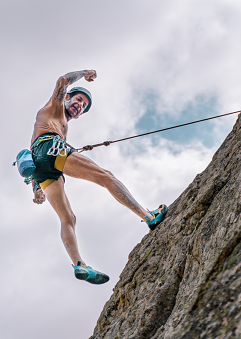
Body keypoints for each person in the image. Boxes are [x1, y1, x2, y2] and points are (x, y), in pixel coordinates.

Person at [29, 69, 167, 285]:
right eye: (78, 99)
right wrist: (85, 73)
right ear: (67, 98)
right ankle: (149, 216)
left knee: (68, 218)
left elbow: (34, 154)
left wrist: (36, 187)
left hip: (41, 163)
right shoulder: (54, 109)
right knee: (106, 177)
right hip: (51, 147)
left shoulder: (57, 124)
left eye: (83, 106)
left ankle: (79, 264)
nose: (80, 105)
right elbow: (63, 80)